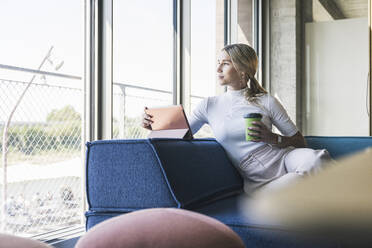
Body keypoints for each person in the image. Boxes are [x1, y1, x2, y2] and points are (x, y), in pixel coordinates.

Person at [142, 43, 331, 194]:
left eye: (225, 63)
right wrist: (153, 124)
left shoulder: (266, 101)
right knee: (298, 183)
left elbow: (300, 142)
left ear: (242, 70)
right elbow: (180, 134)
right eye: (218, 62)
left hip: (285, 157)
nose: (217, 68)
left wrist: (272, 138)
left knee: (317, 158)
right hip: (258, 179)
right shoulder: (209, 105)